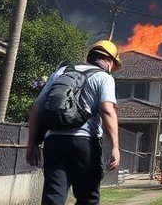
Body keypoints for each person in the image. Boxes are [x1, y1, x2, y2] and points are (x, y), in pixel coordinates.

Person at [26, 39, 121, 205]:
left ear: (90, 57)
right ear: (109, 61)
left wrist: (32, 144)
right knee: (87, 198)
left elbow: (37, 108)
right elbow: (107, 110)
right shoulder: (103, 77)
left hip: (54, 142)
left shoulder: (62, 72)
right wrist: (115, 147)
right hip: (84, 143)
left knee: (53, 198)